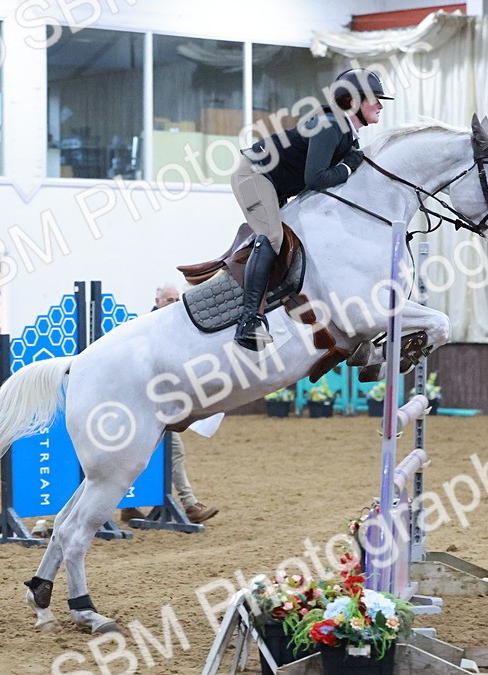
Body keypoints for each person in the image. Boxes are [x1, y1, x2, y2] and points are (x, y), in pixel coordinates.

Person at [230, 68, 392, 351]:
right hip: (253, 176)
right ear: (354, 101)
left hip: (275, 185)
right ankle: (248, 321)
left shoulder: (347, 133)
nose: (380, 105)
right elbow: (315, 179)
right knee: (273, 237)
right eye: (375, 99)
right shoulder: (330, 125)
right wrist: (348, 166)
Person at [120, 283, 219, 525]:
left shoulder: (174, 328)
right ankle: (187, 505)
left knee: (162, 453)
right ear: (157, 302)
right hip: (146, 405)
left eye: (176, 300)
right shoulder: (149, 329)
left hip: (161, 405)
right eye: (169, 300)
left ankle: (135, 506)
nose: (174, 304)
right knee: (162, 452)